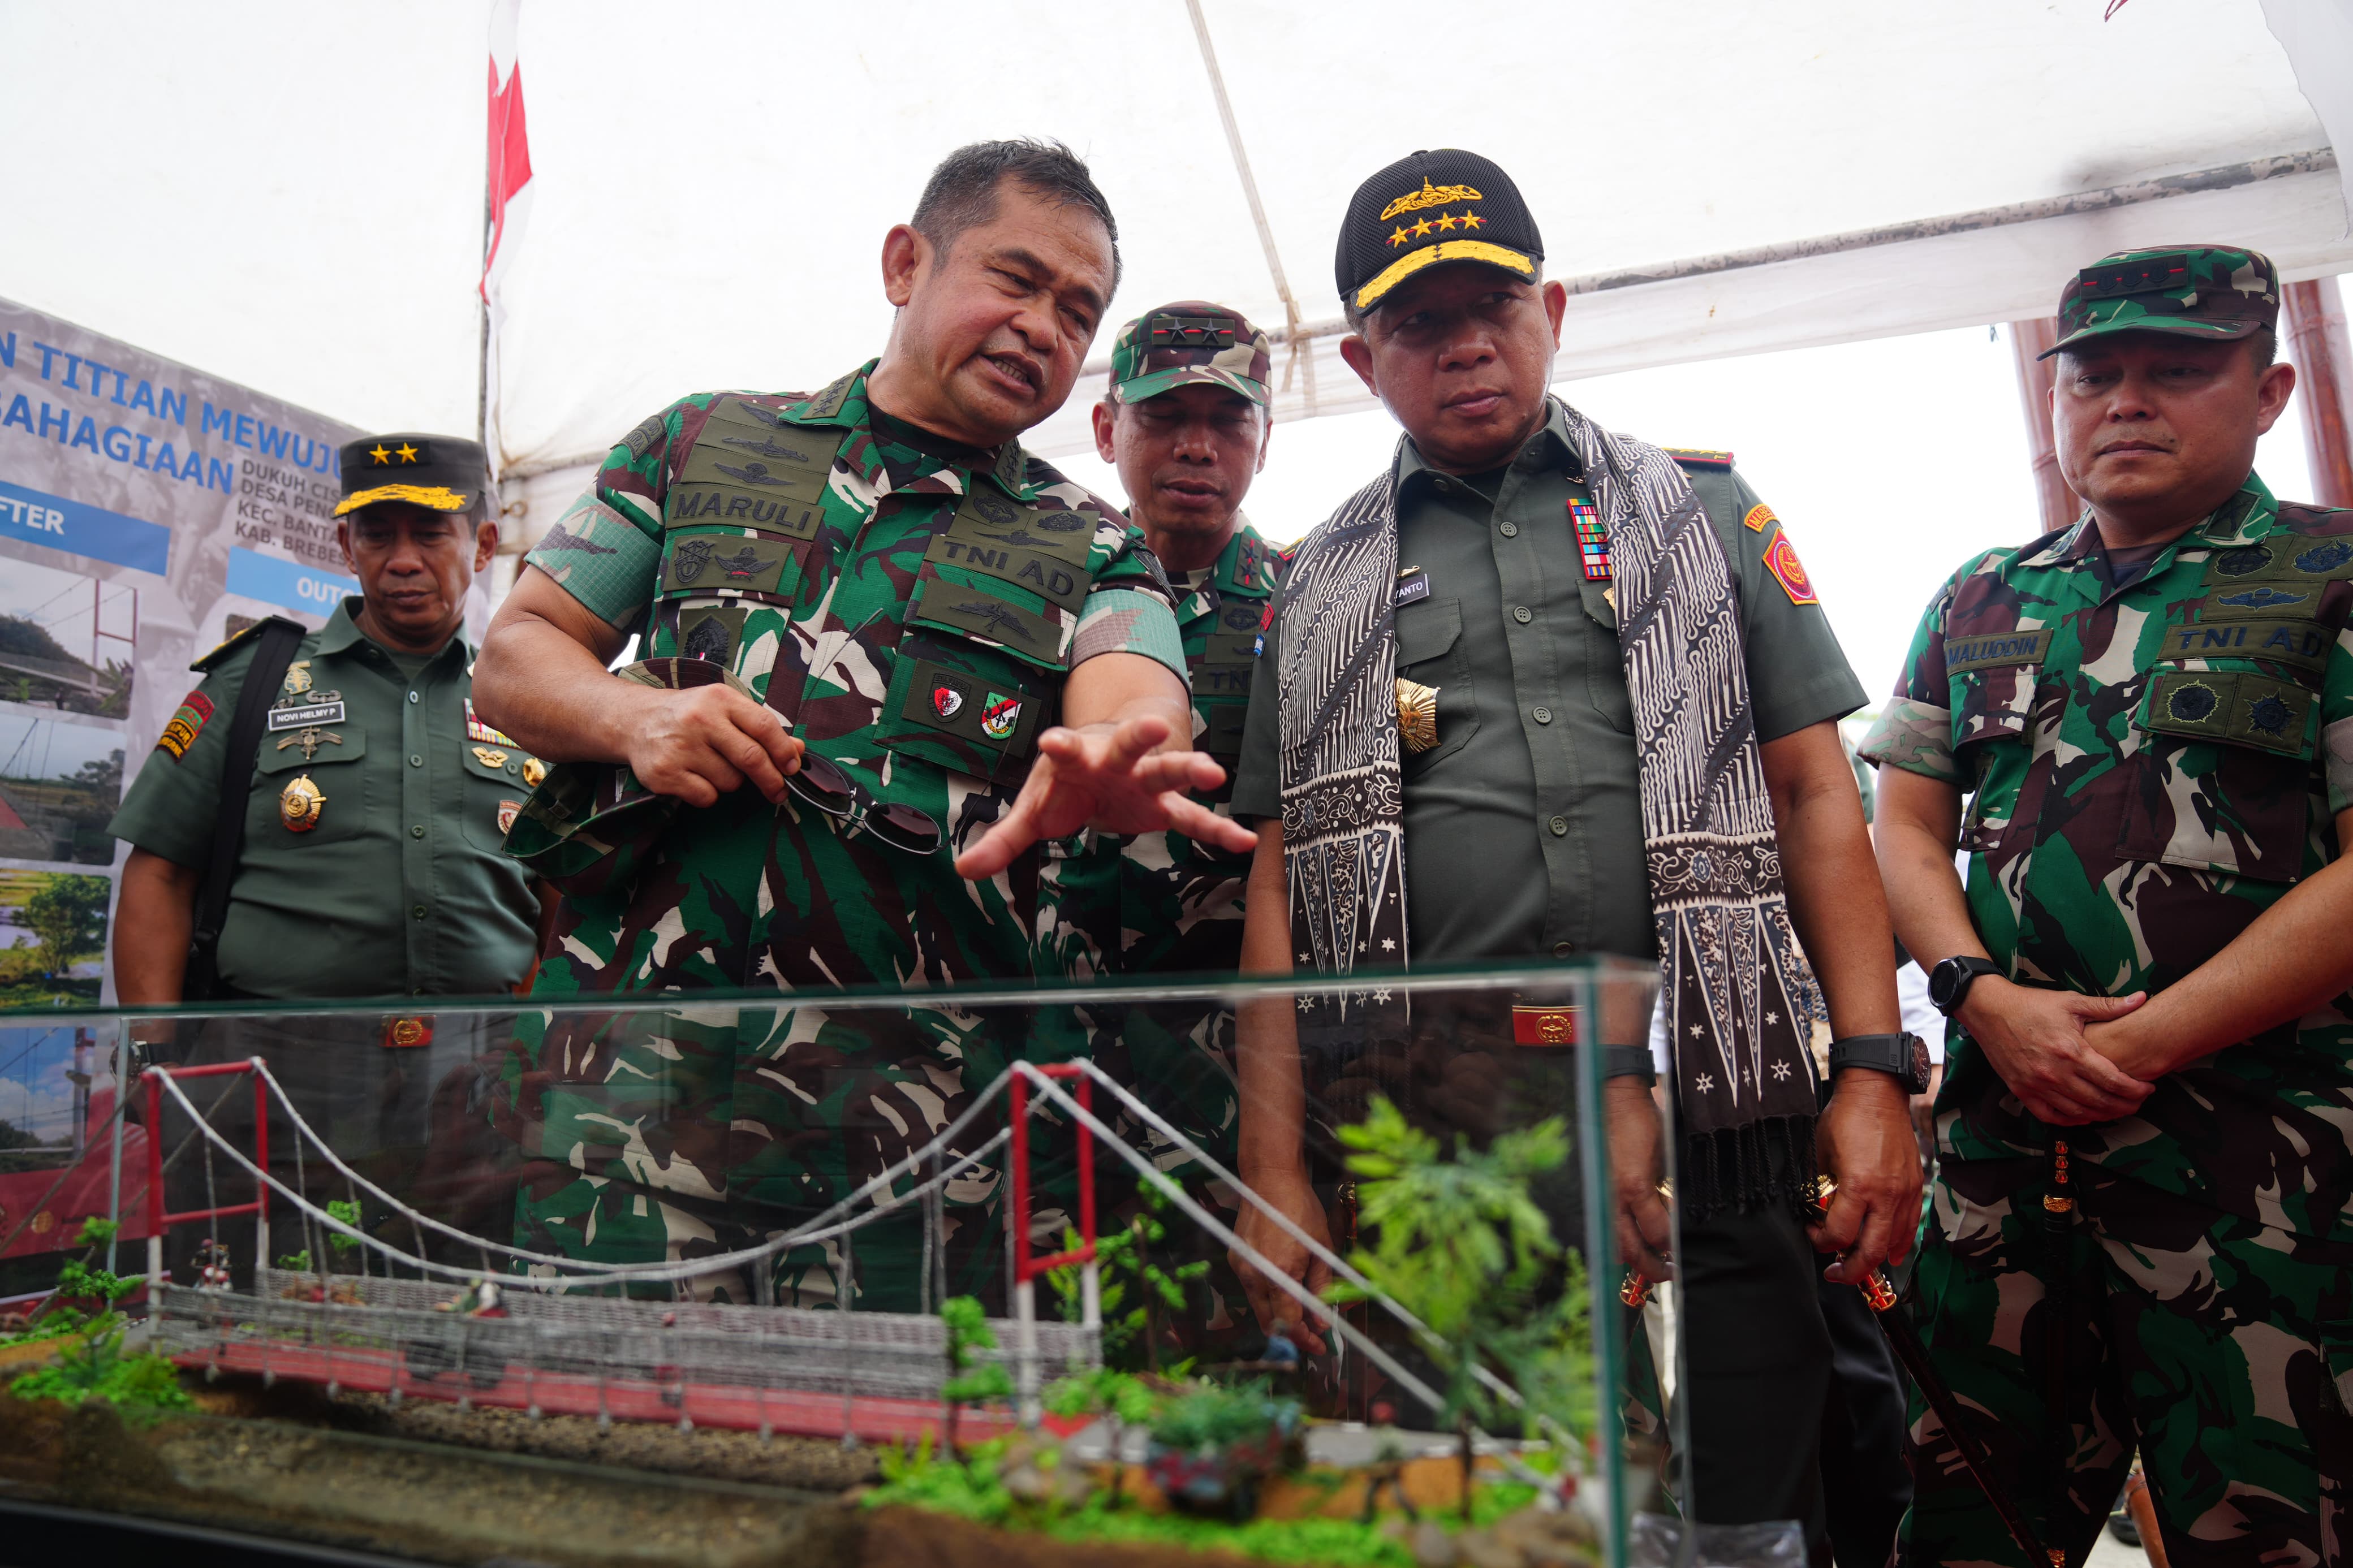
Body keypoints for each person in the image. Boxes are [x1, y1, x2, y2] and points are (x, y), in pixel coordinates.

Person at [1224, 149, 1923, 1562]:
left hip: (1716, 1107)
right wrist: (1274, 1163)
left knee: (1746, 1502)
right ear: (1365, 359)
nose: (1464, 344)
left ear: (1552, 307)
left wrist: (1870, 1071)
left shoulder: (1704, 513)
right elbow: (1284, 875)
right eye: (1420, 323)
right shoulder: (1313, 582)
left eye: (1492, 304)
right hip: (1446, 1128)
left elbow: (1812, 795)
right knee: (1500, 1514)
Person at [474, 140, 1252, 1308]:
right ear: (905, 263)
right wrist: (634, 717)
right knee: (596, 1458)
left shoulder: (1089, 541)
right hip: (624, 1111)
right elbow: (517, 656)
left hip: (914, 1146)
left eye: (1077, 309)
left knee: (890, 1479)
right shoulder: (698, 446)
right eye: (1014, 278)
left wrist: (1120, 743)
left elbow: (1134, 680)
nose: (1042, 325)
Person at [1865, 245, 2353, 1566]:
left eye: (2176, 370)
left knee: (2270, 1535)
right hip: (2003, 1182)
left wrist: (2141, 1042)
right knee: (1969, 1535)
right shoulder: (1981, 595)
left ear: (2268, 393)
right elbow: (1901, 827)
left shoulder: (2330, 576)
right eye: (2094, 374)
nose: (2125, 401)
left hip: (2258, 1195)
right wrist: (1984, 997)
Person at [107, 433, 542, 1274]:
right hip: (270, 1073)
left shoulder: (527, 700)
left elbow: (560, 897)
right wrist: (157, 1057)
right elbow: (159, 872)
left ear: (483, 545)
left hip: (470, 1081)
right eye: (378, 535)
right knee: (241, 1313)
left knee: (449, 1322)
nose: (404, 560)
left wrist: (535, 1053)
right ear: (347, 546)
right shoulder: (258, 680)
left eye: (432, 533)